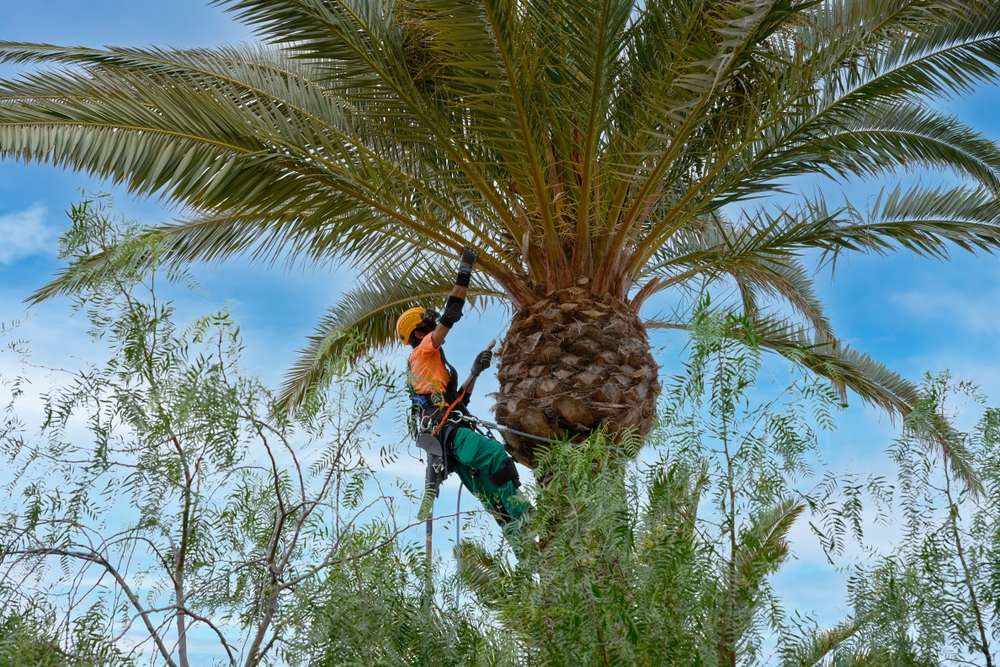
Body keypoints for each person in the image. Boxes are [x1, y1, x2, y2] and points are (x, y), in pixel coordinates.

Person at [396, 248, 530, 533]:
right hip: (449, 434)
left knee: (492, 494)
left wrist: (474, 372)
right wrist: (464, 272)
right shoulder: (422, 352)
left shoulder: (431, 365)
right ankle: (532, 520)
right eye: (429, 325)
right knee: (496, 457)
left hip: (448, 437)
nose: (435, 328)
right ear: (419, 333)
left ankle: (528, 550)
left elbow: (458, 400)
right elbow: (451, 315)